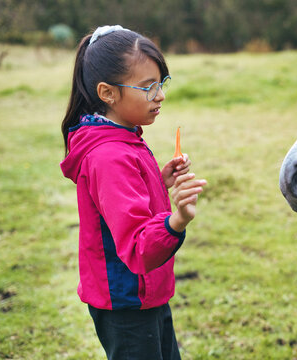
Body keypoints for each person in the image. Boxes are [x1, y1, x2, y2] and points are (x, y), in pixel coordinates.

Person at [60, 25, 206, 360]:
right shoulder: (109, 155)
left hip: (144, 295)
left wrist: (157, 179)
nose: (160, 95)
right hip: (127, 302)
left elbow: (121, 200)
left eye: (161, 83)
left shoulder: (122, 137)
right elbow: (139, 248)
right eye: (147, 87)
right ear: (108, 93)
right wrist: (177, 220)